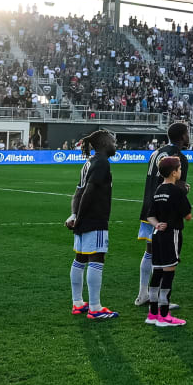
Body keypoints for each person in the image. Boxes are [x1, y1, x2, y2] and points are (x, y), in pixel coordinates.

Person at [136, 122, 190, 308]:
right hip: (164, 212)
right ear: (182, 136)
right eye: (187, 133)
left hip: (148, 208)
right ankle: (160, 298)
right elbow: (176, 186)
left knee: (150, 252)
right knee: (166, 258)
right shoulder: (178, 158)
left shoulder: (156, 153)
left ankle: (143, 294)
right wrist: (185, 190)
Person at [67, 130, 119, 319]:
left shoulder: (88, 163)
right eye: (113, 142)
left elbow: (77, 191)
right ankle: (95, 308)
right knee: (97, 259)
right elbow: (88, 191)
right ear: (105, 144)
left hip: (83, 217)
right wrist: (80, 217)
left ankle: (78, 303)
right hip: (94, 218)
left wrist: (74, 215)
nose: (116, 145)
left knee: (80, 259)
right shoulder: (102, 163)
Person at [145, 155, 192, 326]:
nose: (180, 172)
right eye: (179, 169)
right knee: (168, 273)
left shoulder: (158, 190)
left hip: (157, 236)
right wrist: (185, 195)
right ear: (173, 173)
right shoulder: (177, 191)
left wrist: (157, 225)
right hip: (171, 234)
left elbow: (150, 215)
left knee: (157, 273)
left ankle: (152, 313)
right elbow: (188, 216)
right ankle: (164, 315)